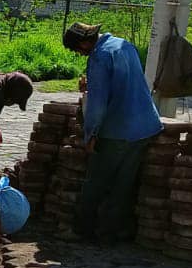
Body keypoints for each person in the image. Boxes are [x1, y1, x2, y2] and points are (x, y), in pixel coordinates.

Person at [62, 22, 163, 243]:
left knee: (96, 182)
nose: (79, 54)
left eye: (77, 50)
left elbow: (97, 103)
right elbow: (123, 83)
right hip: (145, 125)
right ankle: (112, 233)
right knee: (123, 184)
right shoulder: (123, 45)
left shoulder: (99, 57)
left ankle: (82, 230)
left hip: (118, 128)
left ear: (84, 43)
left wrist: (91, 134)